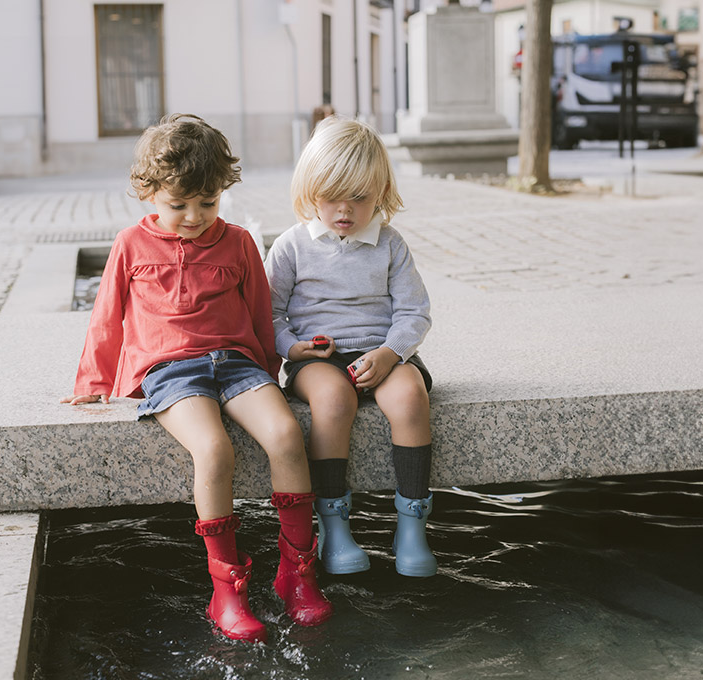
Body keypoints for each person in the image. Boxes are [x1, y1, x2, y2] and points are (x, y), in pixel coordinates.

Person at [63, 113, 330, 641]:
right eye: (178, 204)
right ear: (148, 193)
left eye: (207, 204)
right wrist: (93, 383)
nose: (194, 216)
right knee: (213, 450)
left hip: (236, 365)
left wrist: (270, 375)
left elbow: (257, 314)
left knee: (284, 434)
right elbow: (106, 316)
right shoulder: (130, 245)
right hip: (170, 372)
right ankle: (226, 590)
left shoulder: (237, 244)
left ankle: (296, 575)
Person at [265, 117, 439, 578]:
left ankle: (411, 526)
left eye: (360, 197)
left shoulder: (390, 245)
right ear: (309, 191)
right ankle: (335, 527)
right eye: (332, 196)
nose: (345, 209)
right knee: (334, 399)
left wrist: (389, 353)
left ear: (380, 193)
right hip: (319, 360)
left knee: (408, 397)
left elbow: (414, 312)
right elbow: (268, 313)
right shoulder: (291, 247)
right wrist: (293, 348)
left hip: (383, 351)